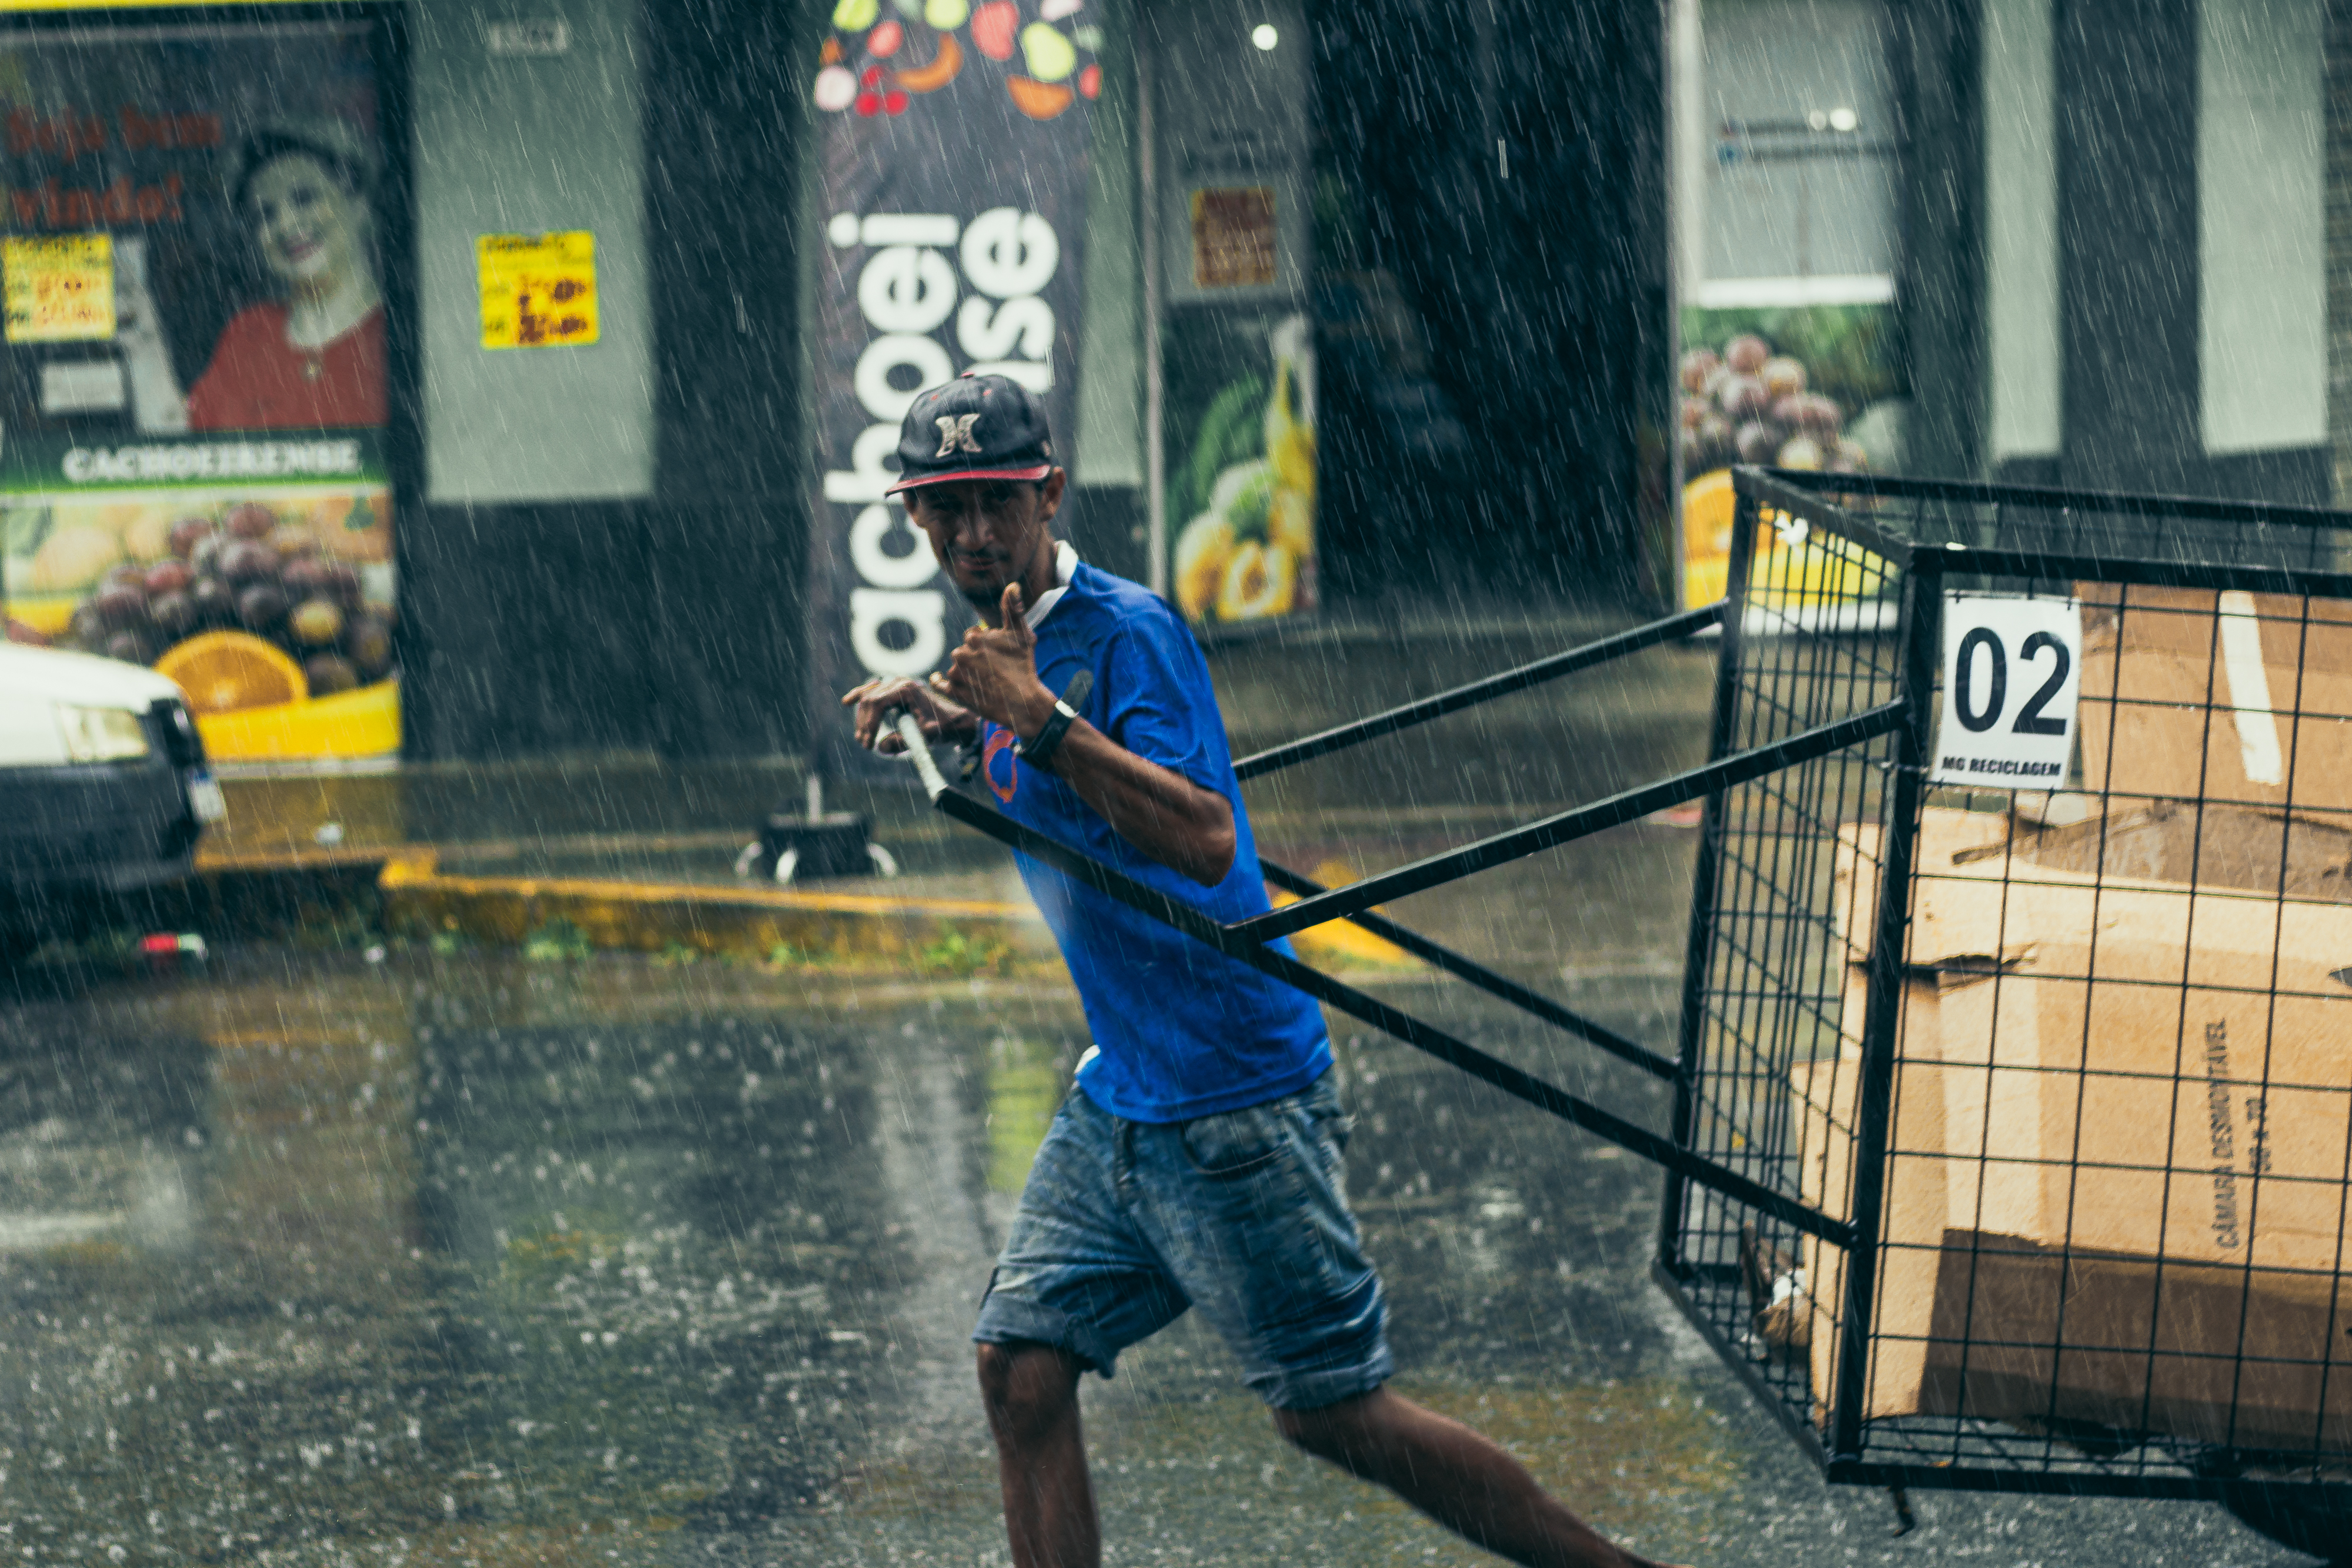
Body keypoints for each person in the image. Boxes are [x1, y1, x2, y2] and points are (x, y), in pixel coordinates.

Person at [845, 373, 1686, 1568]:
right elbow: (1050, 758)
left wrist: (1034, 722)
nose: (973, 532)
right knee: (1019, 1369)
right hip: (1126, 1089)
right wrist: (950, 714)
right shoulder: (1010, 651)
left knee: (1332, 1411)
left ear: (1050, 494)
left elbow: (1200, 837)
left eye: (997, 502)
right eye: (947, 508)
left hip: (1233, 1100)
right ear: (915, 518)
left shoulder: (1128, 633)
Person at [116, 118, 385, 433]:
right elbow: (190, 446)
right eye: (266, 215)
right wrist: (144, 345)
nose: (286, 225)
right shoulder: (248, 334)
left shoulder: (397, 336)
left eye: (305, 199)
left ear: (359, 204)